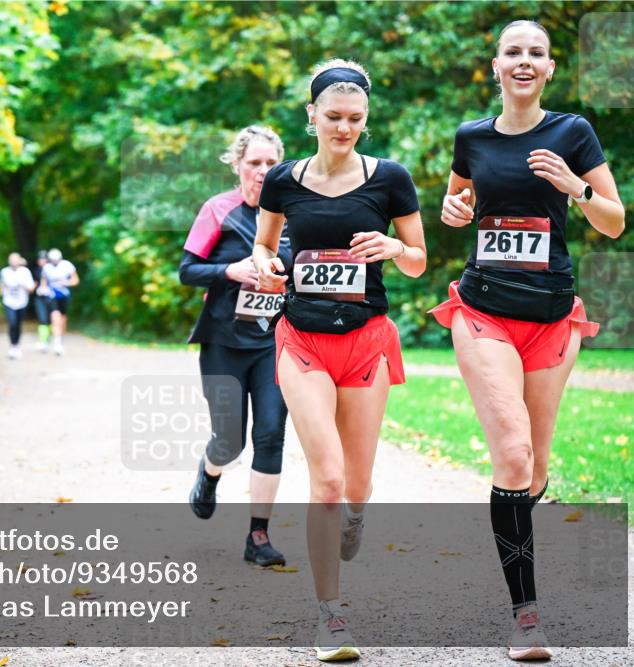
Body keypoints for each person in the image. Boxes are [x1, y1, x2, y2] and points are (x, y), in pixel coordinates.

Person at [431, 19, 624, 661]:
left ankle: (514, 525)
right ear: (495, 66)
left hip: (551, 316)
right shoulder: (472, 137)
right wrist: (453, 209)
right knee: (512, 454)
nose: (523, 60)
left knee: (534, 467)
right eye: (512, 51)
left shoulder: (572, 133)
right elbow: (456, 203)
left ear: (547, 69)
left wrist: (577, 187)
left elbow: (615, 221)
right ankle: (526, 616)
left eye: (535, 53)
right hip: (483, 309)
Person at [253, 59, 426, 662]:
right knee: (324, 475)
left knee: (354, 482)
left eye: (355, 119)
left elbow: (418, 260)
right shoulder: (282, 180)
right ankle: (331, 617)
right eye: (333, 117)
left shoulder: (391, 179)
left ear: (366, 118)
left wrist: (394, 246)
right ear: (311, 116)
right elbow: (263, 244)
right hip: (301, 337)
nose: (344, 128)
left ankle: (357, 509)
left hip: (366, 340)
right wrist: (267, 265)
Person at [181, 125, 292, 568]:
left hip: (274, 342)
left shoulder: (293, 214)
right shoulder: (218, 210)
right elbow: (187, 270)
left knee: (270, 434)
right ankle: (209, 476)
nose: (262, 172)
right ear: (237, 165)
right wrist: (231, 272)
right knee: (229, 440)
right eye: (254, 164)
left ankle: (258, 537)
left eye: (270, 164)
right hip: (224, 341)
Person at [40, 248, 79, 356]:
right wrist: (43, 289)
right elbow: (44, 280)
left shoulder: (67, 265)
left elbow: (76, 280)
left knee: (62, 319)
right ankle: (56, 342)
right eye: (52, 260)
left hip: (64, 296)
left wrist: (66, 282)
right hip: (52, 296)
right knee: (55, 317)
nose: (54, 262)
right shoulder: (46, 268)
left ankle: (60, 339)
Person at [0, 252, 35, 359]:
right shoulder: (4, 271)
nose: (13, 262)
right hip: (9, 302)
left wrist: (23, 284)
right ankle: (12, 346)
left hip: (22, 302)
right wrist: (2, 292)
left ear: (19, 261)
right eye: (12, 260)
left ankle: (17, 345)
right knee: (12, 323)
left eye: (15, 260)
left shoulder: (25, 272)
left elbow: (31, 288)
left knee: (18, 324)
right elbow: (1, 284)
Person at [32, 250, 54, 352]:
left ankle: (47, 337)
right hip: (39, 298)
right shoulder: (36, 271)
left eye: (44, 259)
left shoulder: (52, 270)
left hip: (51, 297)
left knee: (50, 319)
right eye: (41, 259)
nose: (42, 261)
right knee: (42, 319)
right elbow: (33, 284)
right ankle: (43, 340)